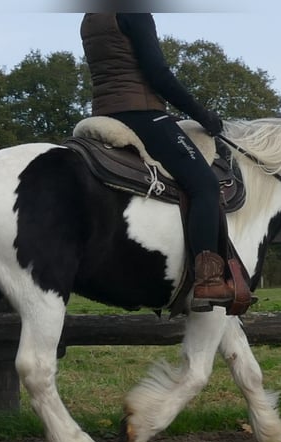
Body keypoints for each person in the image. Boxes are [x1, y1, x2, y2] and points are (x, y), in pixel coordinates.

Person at [80, 12, 239, 313]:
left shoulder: (91, 18)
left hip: (104, 112)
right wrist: (202, 115)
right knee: (205, 185)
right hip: (143, 114)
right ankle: (208, 279)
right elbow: (158, 74)